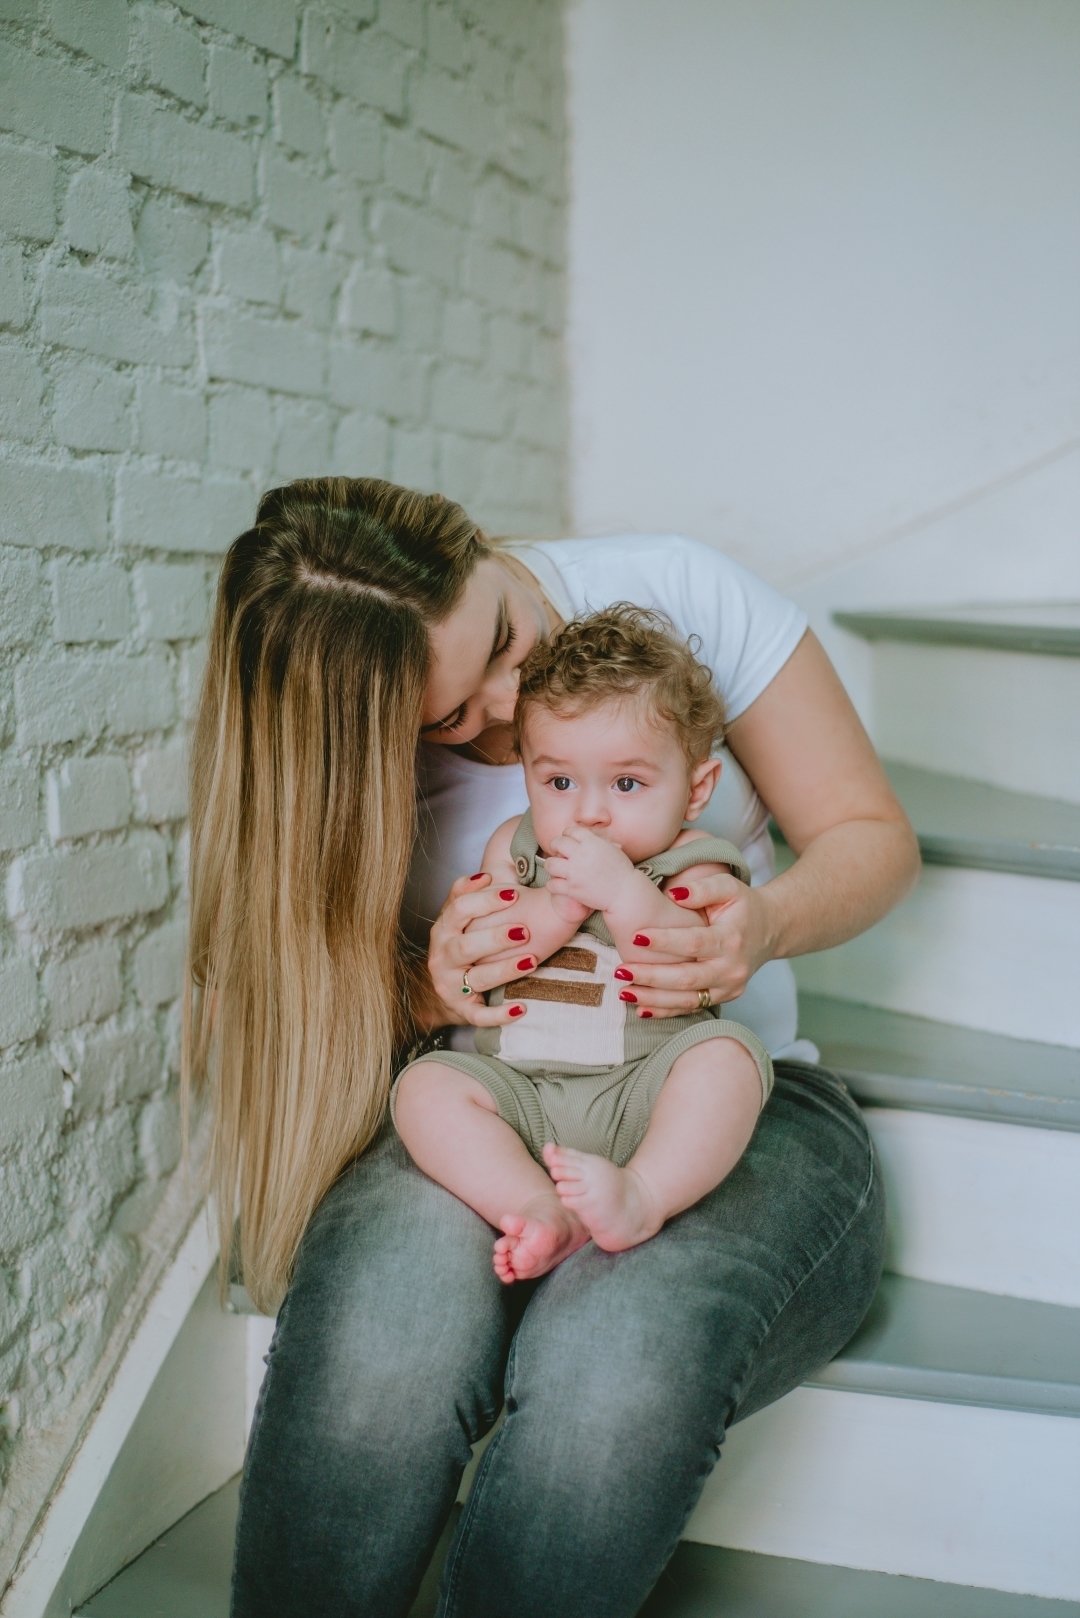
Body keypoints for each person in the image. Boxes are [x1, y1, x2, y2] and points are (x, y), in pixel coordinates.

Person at [186, 478, 919, 1618]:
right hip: (504, 1094)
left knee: (611, 1356)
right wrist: (427, 994)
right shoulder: (362, 767)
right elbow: (277, 1004)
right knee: (387, 1336)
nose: (508, 706)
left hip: (714, 1097)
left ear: (484, 554)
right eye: (447, 723)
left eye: (506, 645)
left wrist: (760, 927)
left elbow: (871, 839)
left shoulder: (678, 592)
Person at [394, 605, 774, 1283]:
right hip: (522, 1089)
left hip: (644, 1092)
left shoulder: (698, 862)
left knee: (727, 1060)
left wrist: (623, 892)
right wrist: (557, 903)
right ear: (529, 774)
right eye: (559, 782)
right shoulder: (513, 849)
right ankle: (537, 1205)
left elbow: (685, 952)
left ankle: (645, 1194)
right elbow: (488, 953)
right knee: (424, 1088)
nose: (589, 811)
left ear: (696, 789)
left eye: (627, 784)